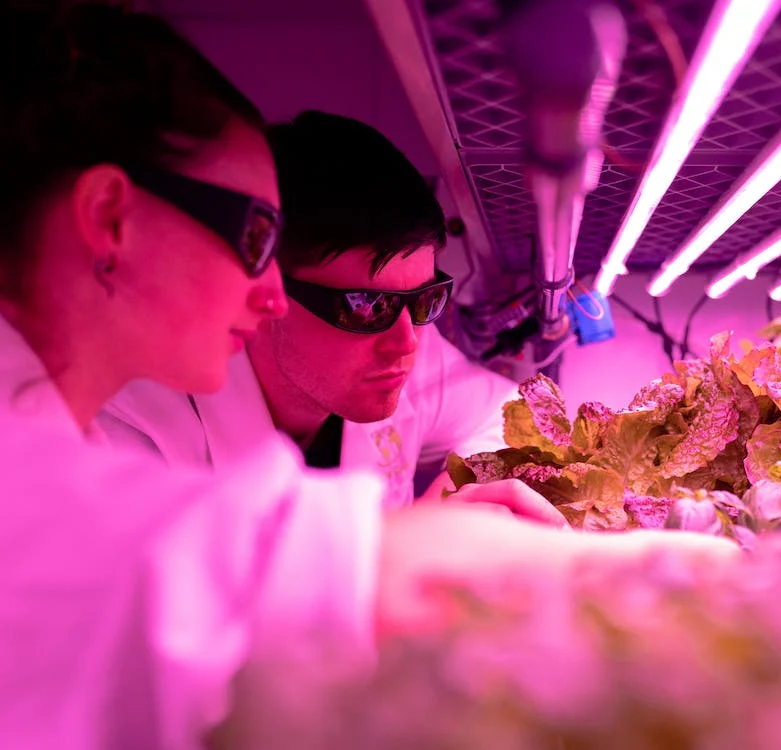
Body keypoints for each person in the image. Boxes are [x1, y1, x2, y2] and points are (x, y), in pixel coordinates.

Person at [0, 5, 735, 748]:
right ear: (109, 217)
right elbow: (260, 577)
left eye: (422, 303)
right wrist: (707, 571)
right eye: (254, 236)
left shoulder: (44, 416)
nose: (268, 294)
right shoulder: (66, 469)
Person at [98, 111, 560, 522]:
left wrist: (447, 509)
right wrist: (402, 549)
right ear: (264, 292)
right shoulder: (134, 428)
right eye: (366, 306)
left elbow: (516, 415)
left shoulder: (406, 337)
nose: (406, 342)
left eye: (424, 299)